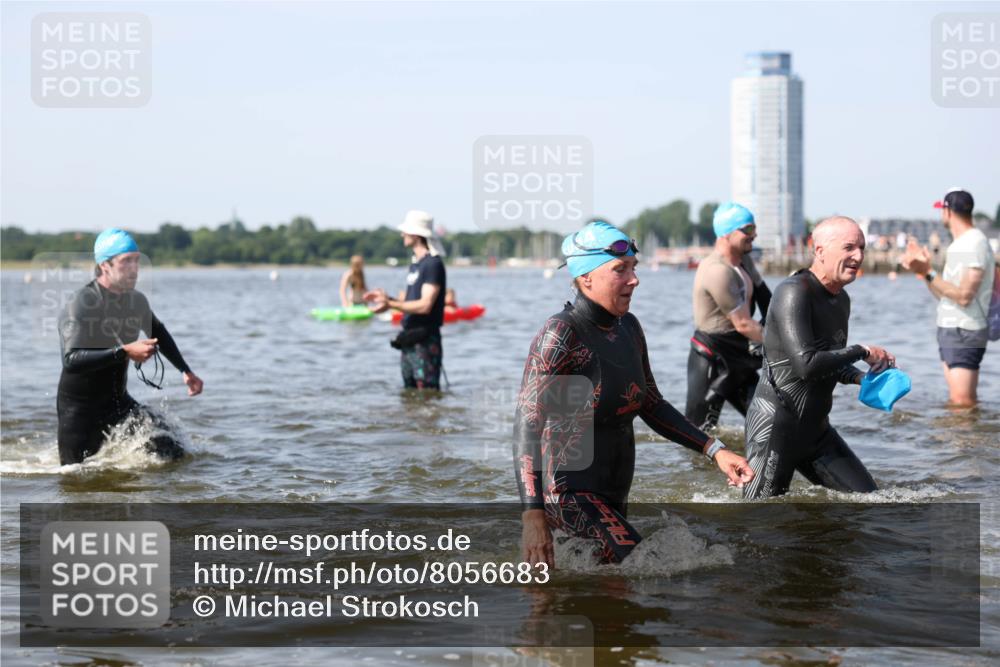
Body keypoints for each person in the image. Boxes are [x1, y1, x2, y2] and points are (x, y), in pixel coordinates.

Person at [514, 220, 754, 566]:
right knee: (642, 568)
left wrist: (715, 451)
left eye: (634, 268)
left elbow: (651, 403)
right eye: (620, 270)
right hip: (568, 496)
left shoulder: (629, 327)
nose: (634, 279)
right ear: (586, 277)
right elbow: (527, 426)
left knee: (615, 595)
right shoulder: (561, 335)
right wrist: (532, 515)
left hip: (613, 496)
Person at [742, 217, 895, 499]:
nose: (859, 256)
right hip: (776, 429)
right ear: (820, 250)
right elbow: (807, 365)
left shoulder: (841, 299)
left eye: (862, 248)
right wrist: (862, 351)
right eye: (849, 247)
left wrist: (863, 377)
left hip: (817, 431)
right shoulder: (793, 292)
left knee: (872, 503)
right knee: (757, 523)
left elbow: (828, 361)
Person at [57, 229, 204, 465]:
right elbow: (71, 360)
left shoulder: (136, 301)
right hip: (81, 413)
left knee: (171, 447)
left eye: (137, 260)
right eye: (126, 261)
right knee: (76, 478)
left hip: (119, 404)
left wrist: (185, 371)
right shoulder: (82, 303)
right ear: (105, 265)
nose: (134, 268)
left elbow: (159, 333)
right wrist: (124, 351)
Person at [901, 189, 994, 406]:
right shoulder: (959, 244)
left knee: (962, 402)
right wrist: (924, 271)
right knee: (958, 401)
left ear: (947, 212)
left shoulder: (974, 242)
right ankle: (959, 439)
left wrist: (929, 272)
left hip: (965, 330)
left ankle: (966, 440)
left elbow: (964, 296)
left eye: (941, 210)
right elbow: (945, 295)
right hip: (953, 329)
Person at [686, 202, 771, 431]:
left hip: (738, 357)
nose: (754, 235)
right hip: (712, 357)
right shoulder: (716, 270)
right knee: (698, 435)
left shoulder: (744, 261)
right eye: (748, 229)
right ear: (726, 233)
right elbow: (743, 324)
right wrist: (786, 345)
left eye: (754, 229)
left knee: (768, 423)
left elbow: (767, 301)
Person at [365, 210, 447, 390]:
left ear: (417, 235)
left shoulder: (433, 264)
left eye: (406, 230)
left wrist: (391, 304)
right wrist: (387, 300)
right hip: (409, 338)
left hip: (425, 340)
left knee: (427, 395)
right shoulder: (416, 264)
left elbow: (425, 305)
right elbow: (412, 301)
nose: (402, 234)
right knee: (409, 395)